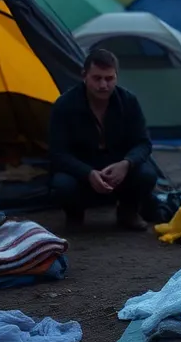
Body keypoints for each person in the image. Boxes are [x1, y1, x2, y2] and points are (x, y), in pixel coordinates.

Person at [48, 48, 159, 230]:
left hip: (117, 168)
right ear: (84, 75)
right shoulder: (65, 105)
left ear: (116, 77)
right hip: (82, 168)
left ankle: (128, 212)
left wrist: (126, 163)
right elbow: (57, 152)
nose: (103, 85)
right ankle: (74, 215)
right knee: (62, 184)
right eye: (97, 78)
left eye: (109, 79)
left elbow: (143, 143)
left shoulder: (128, 101)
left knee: (147, 174)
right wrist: (87, 173)